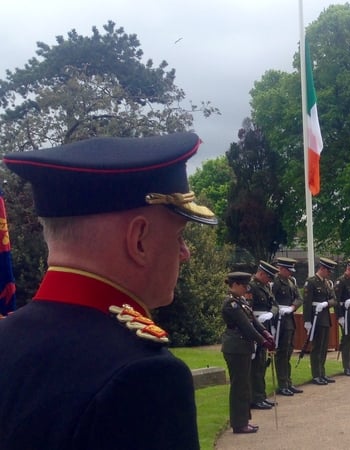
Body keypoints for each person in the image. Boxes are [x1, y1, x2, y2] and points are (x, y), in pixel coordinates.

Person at [0, 133, 217, 449]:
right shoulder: (144, 376)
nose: (185, 253)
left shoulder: (7, 338)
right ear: (138, 239)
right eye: (180, 236)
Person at [221, 272, 274, 434]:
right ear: (235, 284)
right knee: (239, 386)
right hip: (236, 347)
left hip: (242, 347)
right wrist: (262, 341)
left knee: (244, 384)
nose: (246, 289)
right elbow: (245, 326)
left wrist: (266, 333)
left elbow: (254, 321)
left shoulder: (241, 301)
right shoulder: (231, 304)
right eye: (243, 286)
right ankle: (239, 423)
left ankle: (243, 420)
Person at [303, 257, 339, 385]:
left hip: (324, 317)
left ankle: (322, 373)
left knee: (324, 347)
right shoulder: (311, 282)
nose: (329, 274)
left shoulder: (327, 283)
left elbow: (334, 300)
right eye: (328, 271)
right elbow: (307, 303)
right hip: (315, 318)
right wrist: (307, 321)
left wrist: (326, 303)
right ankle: (316, 374)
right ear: (322, 269)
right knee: (317, 347)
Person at [248, 261, 279, 410]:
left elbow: (274, 304)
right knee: (255, 365)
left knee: (262, 363)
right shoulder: (251, 287)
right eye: (268, 277)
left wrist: (270, 314)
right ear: (261, 273)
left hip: (265, 325)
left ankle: (261, 395)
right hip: (255, 326)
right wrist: (258, 318)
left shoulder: (266, 286)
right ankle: (255, 397)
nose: (270, 281)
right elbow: (248, 309)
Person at [272, 257, 304, 396]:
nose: (290, 273)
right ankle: (282, 383)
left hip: (289, 319)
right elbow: (271, 300)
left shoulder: (291, 282)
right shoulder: (276, 282)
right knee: (281, 353)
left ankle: (288, 382)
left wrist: (292, 307)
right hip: (279, 321)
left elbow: (299, 298)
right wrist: (278, 310)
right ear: (282, 269)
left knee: (288, 351)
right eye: (288, 270)